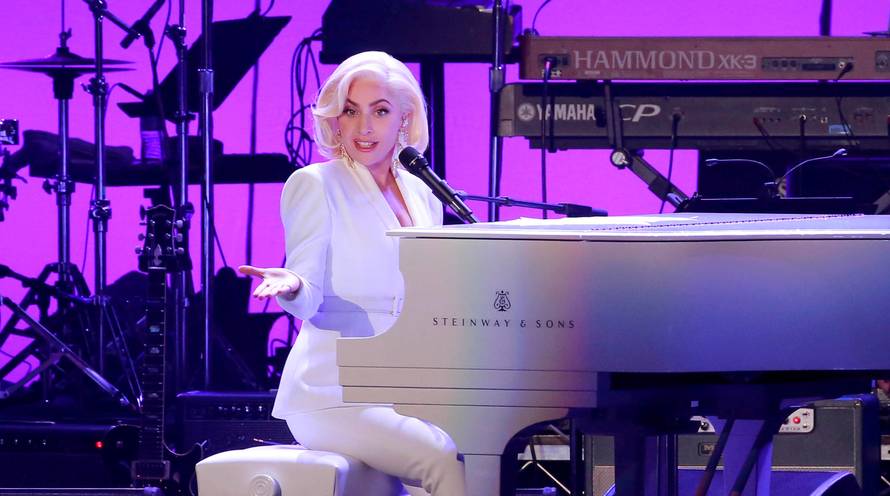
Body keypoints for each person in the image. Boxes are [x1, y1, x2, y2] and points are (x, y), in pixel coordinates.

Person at [238, 51, 467, 496]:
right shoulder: (315, 183)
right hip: (332, 393)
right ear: (335, 120)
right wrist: (291, 284)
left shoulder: (424, 192)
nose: (364, 127)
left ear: (404, 119)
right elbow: (309, 291)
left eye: (380, 111)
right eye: (351, 110)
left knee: (480, 448)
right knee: (442, 457)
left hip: (407, 386)